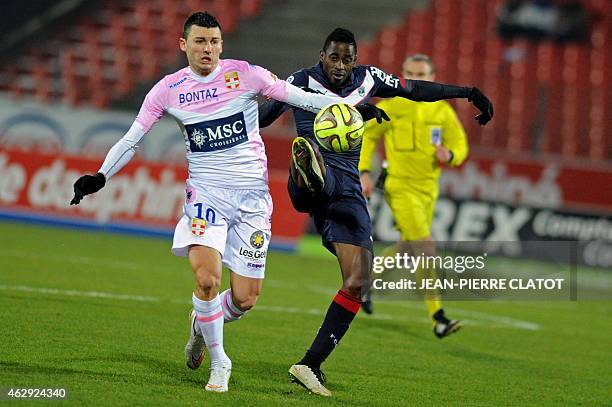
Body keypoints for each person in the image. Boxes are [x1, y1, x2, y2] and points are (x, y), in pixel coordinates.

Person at [69, 11, 348, 393]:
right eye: (200, 41)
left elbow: (296, 96)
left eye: (214, 41)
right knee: (206, 280)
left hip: (252, 199)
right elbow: (132, 138)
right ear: (184, 44)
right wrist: (101, 175)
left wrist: (343, 109)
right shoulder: (168, 89)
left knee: (245, 299)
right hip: (206, 195)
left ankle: (202, 323)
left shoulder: (245, 74)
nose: (209, 49)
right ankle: (220, 363)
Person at [258, 28, 493, 396]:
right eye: (333, 58)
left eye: (346, 59)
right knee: (320, 182)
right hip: (318, 183)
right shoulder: (299, 82)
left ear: (355, 59)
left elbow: (415, 91)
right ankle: (309, 170)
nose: (339, 66)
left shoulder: (369, 79)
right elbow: (263, 117)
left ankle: (309, 364)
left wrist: (467, 92)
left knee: (359, 279)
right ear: (322, 56)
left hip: (348, 194)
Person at [360, 54, 468, 338]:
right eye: (410, 73)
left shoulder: (442, 111)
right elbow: (368, 136)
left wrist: (451, 154)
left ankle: (364, 281)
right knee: (424, 246)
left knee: (409, 247)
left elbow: (460, 144)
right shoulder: (391, 106)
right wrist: (364, 172)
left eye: (422, 74)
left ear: (433, 77)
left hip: (428, 189)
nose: (417, 78)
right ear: (402, 75)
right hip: (400, 186)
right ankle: (438, 316)